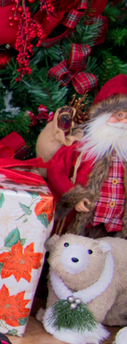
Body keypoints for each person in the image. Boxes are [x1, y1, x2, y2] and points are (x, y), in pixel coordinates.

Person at [47, 74, 127, 236]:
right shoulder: (83, 147)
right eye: (119, 115)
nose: (124, 122)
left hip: (116, 228)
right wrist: (74, 196)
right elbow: (56, 169)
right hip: (83, 223)